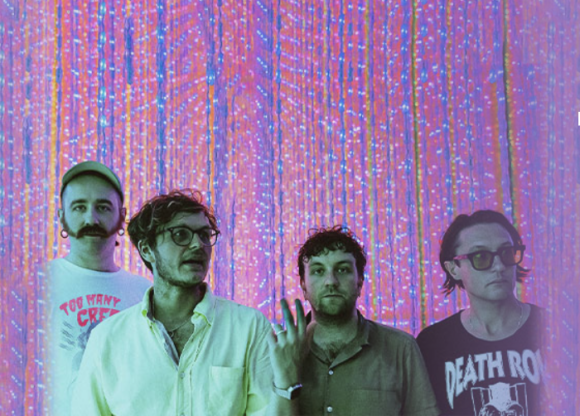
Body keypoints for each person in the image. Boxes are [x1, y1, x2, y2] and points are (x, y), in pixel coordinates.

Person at [71, 189, 293, 416]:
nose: (198, 245)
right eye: (180, 234)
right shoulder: (107, 338)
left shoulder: (248, 327)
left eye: (204, 235)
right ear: (147, 250)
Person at [268, 225, 440, 416]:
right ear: (303, 286)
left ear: (360, 282)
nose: (331, 281)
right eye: (318, 271)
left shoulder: (400, 348)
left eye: (342, 269)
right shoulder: (278, 353)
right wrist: (286, 378)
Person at [416, 210, 544, 416]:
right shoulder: (433, 343)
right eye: (481, 257)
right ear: (453, 268)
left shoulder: (556, 329)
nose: (499, 266)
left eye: (507, 253)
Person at [47, 161, 151, 415]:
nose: (90, 218)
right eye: (79, 207)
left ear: (122, 217)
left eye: (103, 207)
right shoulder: (32, 287)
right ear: (61, 217)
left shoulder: (147, 294)